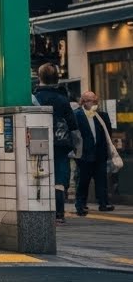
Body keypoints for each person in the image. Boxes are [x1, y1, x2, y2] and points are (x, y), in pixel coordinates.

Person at [33, 65, 78, 222]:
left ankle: (41, 210)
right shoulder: (63, 99)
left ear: (40, 78)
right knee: (59, 178)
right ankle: (59, 213)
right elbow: (72, 124)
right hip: (61, 144)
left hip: (37, 143)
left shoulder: (35, 98)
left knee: (38, 175)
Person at [73, 91, 115, 215]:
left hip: (99, 153)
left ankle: (103, 203)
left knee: (101, 179)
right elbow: (74, 134)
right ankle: (80, 204)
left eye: (94, 100)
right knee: (83, 180)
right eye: (89, 100)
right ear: (83, 101)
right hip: (84, 154)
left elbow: (108, 133)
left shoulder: (102, 115)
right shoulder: (77, 115)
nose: (92, 103)